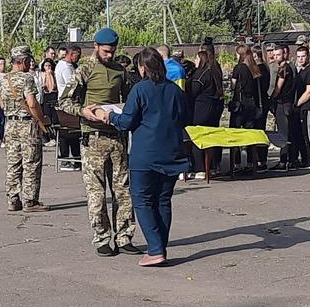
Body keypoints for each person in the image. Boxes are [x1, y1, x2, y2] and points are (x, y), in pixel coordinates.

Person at [99, 48, 189, 267]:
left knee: (142, 200)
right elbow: (184, 118)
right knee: (163, 200)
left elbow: (126, 122)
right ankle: (159, 247)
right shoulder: (176, 91)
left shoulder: (140, 89)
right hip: (172, 152)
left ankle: (156, 249)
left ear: (142, 67)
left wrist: (108, 115)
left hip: (145, 154)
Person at [65, 27, 137, 255]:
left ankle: (124, 237)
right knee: (96, 192)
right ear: (95, 46)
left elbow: (130, 99)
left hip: (117, 137)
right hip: (93, 138)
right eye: (106, 51)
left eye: (113, 51)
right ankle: (102, 238)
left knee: (123, 191)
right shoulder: (85, 70)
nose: (110, 54)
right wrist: (82, 111)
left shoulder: (119, 70)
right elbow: (64, 100)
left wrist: (125, 112)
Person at [2, 47, 48, 212]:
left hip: (10, 125)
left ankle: (13, 199)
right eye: (28, 60)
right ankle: (30, 200)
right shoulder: (27, 79)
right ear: (22, 61)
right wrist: (41, 119)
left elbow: (1, 103)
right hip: (27, 125)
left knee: (13, 163)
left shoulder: (3, 79)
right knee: (31, 163)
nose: (31, 63)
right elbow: (32, 103)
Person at [188, 39, 224, 182]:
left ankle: (200, 168)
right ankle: (214, 165)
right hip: (214, 108)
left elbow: (193, 92)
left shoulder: (201, 75)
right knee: (212, 136)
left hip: (201, 108)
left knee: (198, 136)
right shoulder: (216, 69)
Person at [229, 45, 267, 174]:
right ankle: (252, 162)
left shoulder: (239, 68)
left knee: (235, 133)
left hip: (240, 105)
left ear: (240, 55)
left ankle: (236, 163)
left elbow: (233, 85)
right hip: (252, 105)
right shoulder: (255, 68)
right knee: (250, 134)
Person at [54, 43, 82, 171]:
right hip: (67, 101)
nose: (79, 58)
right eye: (77, 55)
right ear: (71, 54)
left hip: (69, 100)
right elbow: (71, 84)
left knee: (72, 132)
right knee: (69, 131)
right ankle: (67, 159)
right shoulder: (65, 67)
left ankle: (76, 159)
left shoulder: (68, 65)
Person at [292, 44, 310, 168]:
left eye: (303, 56)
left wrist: (297, 103)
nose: (301, 59)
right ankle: (303, 158)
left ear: (308, 56)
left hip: (308, 105)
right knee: (301, 133)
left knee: (308, 132)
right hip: (301, 107)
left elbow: (309, 92)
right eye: (298, 57)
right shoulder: (300, 71)